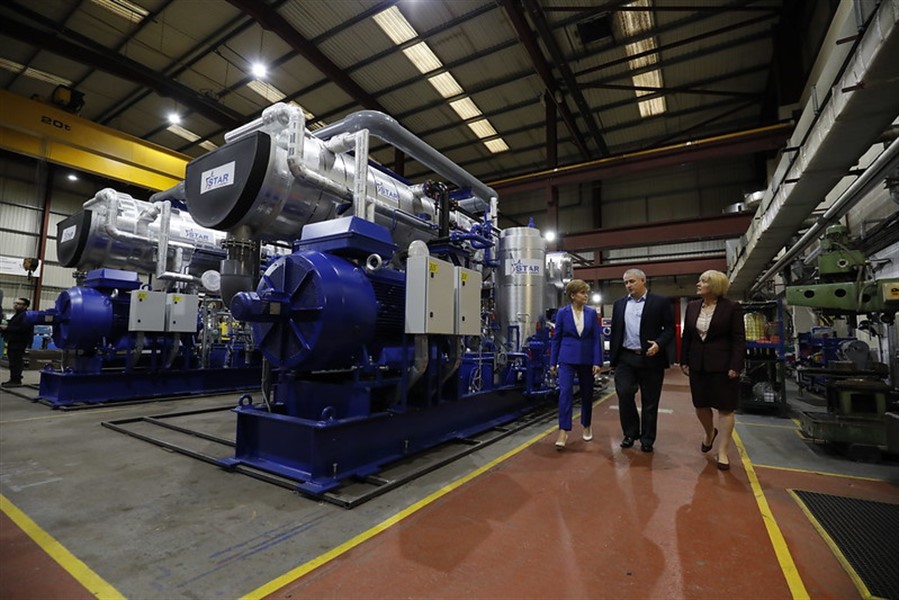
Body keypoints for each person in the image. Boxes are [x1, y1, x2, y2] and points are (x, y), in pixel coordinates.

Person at [680, 270, 745, 470]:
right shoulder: (692, 307)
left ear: (715, 286)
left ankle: (723, 451)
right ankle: (709, 433)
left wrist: (736, 365)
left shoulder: (732, 308)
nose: (698, 284)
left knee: (725, 408)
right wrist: (683, 360)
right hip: (698, 364)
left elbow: (738, 339)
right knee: (700, 405)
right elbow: (687, 335)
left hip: (723, 365)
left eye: (703, 281)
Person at [609, 269, 675, 452]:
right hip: (625, 357)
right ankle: (630, 433)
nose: (628, 285)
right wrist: (611, 359)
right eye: (625, 282)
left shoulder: (660, 302)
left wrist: (659, 344)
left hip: (651, 358)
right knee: (624, 394)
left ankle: (647, 439)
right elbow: (615, 331)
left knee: (650, 401)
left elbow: (669, 329)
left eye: (632, 281)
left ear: (643, 280)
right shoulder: (619, 304)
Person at [549, 279, 602, 450]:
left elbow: (596, 338)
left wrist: (597, 361)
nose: (586, 296)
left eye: (586, 293)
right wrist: (553, 362)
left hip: (587, 359)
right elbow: (556, 338)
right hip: (566, 359)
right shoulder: (562, 313)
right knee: (565, 393)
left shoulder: (592, 313)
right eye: (582, 293)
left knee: (587, 393)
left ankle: (586, 424)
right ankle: (564, 430)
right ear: (573, 295)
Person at [1, 297, 34, 388]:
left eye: (19, 304)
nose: (16, 305)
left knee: (16, 361)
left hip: (19, 342)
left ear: (25, 306)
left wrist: (7, 328)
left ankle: (16, 380)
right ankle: (13, 379)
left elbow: (23, 329)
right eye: (15, 303)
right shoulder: (18, 315)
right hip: (13, 341)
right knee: (12, 361)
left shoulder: (26, 316)